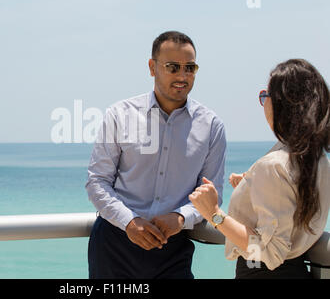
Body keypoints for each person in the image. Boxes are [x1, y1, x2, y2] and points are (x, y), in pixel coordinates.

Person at [85, 31, 227, 278]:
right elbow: (97, 181)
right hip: (115, 244)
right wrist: (129, 222)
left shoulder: (212, 126)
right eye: (173, 67)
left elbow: (212, 193)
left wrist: (181, 217)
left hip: (173, 249)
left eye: (190, 68)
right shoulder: (119, 115)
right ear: (152, 67)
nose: (182, 76)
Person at [189, 58, 330, 279]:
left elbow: (268, 252)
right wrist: (252, 184)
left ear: (284, 104)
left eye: (266, 95)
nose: (263, 103)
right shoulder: (316, 157)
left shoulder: (274, 165)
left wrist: (214, 214)